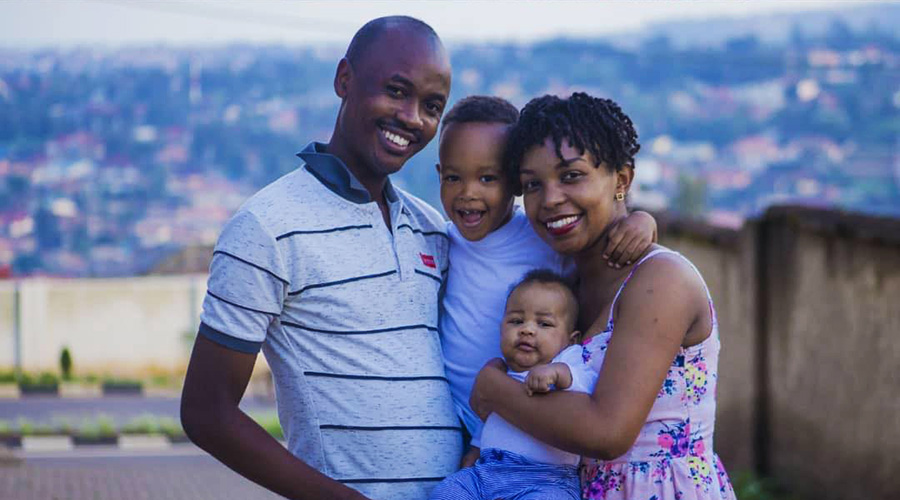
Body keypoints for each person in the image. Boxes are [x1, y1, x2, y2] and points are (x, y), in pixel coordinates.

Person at [180, 17, 461, 500]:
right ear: (344, 79)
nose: (413, 118)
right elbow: (207, 412)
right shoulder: (267, 227)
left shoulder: (432, 229)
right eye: (396, 92)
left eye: (432, 106)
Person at [470, 92, 737, 500]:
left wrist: (495, 391)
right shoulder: (565, 284)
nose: (550, 199)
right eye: (532, 185)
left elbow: (608, 433)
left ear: (622, 180)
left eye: (571, 175)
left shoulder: (661, 280)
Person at [435, 96, 658, 467]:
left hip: (526, 418)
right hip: (455, 421)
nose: (468, 192)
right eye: (453, 178)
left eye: (488, 178)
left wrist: (641, 220)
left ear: (513, 183)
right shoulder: (442, 241)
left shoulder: (543, 238)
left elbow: (600, 246)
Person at [430, 270, 597, 500]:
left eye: (544, 323)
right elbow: (490, 418)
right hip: (488, 471)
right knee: (447, 491)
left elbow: (587, 384)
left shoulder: (568, 360)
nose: (527, 329)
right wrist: (476, 450)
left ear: (571, 339)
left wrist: (557, 373)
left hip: (545, 479)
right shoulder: (501, 375)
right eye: (516, 321)